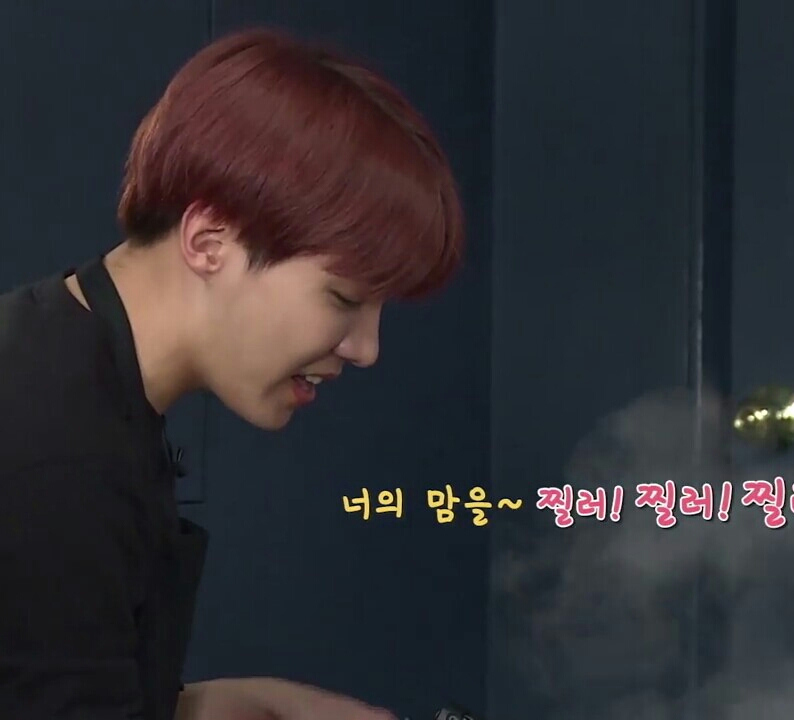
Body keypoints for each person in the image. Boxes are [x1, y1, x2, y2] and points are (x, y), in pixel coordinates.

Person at [0, 27, 464, 720]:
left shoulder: (67, 366)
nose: (367, 349)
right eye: (344, 299)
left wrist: (250, 704)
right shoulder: (53, 451)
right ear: (209, 242)